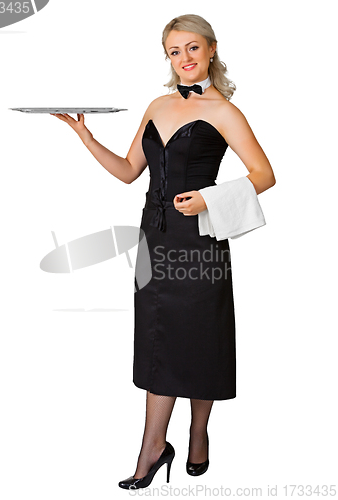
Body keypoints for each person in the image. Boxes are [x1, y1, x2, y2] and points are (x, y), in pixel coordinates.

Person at [51, 13, 276, 490]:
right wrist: (85, 136)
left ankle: (198, 433)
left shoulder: (225, 112)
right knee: (159, 338)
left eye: (192, 48)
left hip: (199, 240)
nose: (184, 59)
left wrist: (209, 198)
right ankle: (153, 447)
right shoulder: (156, 105)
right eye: (175, 51)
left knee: (200, 337)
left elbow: (264, 174)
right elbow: (129, 170)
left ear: (211, 50)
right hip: (154, 239)